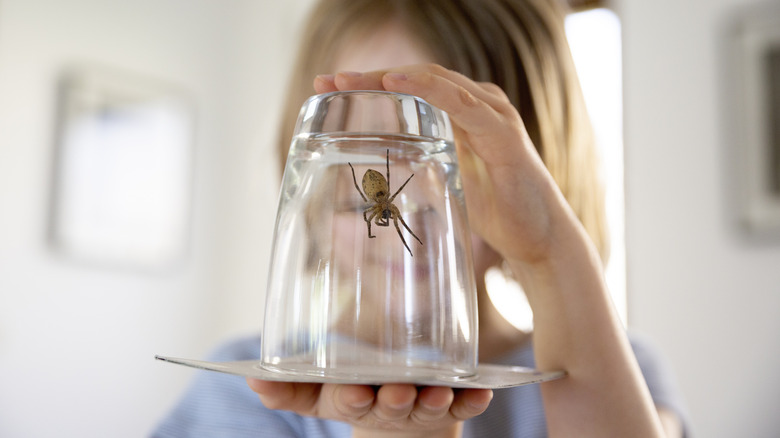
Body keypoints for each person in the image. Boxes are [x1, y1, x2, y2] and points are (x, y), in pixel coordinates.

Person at [152, 0, 688, 437]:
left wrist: (552, 253)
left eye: (452, 168)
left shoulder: (612, 367)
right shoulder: (242, 393)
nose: (414, 216)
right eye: (359, 166)